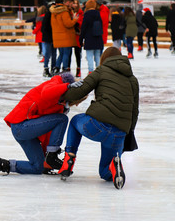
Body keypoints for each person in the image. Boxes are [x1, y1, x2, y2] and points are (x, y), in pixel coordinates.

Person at [58, 47, 139, 190]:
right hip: (119, 133)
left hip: (97, 125)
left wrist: (62, 95)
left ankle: (69, 159)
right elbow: (134, 111)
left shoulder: (101, 71)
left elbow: (81, 90)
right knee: (104, 172)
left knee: (75, 121)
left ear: (104, 59)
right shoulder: (132, 80)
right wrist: (128, 132)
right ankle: (115, 167)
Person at [0, 73, 81, 176]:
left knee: (38, 167)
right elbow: (46, 93)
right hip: (21, 125)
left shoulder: (59, 108)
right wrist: (67, 86)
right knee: (63, 119)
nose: (72, 104)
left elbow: (49, 134)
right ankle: (52, 155)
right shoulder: (56, 82)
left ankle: (0, 164)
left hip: (27, 132)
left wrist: (46, 157)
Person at [50, 0, 78, 74]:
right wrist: (75, 19)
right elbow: (68, 24)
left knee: (61, 53)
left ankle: (56, 67)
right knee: (66, 53)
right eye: (72, 3)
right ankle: (65, 69)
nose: (72, 5)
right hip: (65, 36)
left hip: (57, 36)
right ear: (68, 2)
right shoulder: (64, 12)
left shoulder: (54, 12)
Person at [79, 0, 103, 75]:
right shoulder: (98, 14)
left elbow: (83, 28)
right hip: (98, 38)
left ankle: (91, 71)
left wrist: (81, 39)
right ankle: (99, 71)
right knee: (97, 56)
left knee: (89, 56)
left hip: (89, 38)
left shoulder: (86, 15)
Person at [69, 0, 84, 77]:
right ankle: (67, 69)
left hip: (78, 35)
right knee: (68, 53)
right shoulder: (69, 12)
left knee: (78, 54)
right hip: (70, 35)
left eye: (76, 3)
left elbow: (82, 23)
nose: (75, 5)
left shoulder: (81, 13)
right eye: (73, 3)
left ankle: (78, 69)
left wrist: (76, 21)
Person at [41, 3, 57, 77]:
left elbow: (43, 28)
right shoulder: (49, 15)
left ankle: (51, 68)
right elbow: (44, 27)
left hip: (51, 37)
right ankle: (47, 68)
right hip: (49, 37)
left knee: (52, 54)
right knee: (49, 53)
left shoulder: (53, 15)